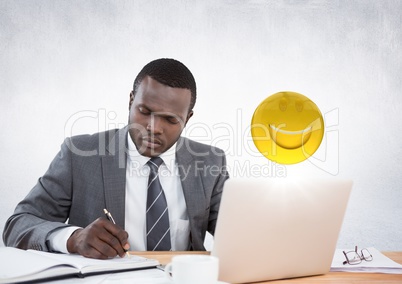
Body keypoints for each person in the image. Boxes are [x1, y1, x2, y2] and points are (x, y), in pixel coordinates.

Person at [3, 58, 229, 259]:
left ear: (187, 118)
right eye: (145, 111)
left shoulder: (211, 162)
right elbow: (17, 225)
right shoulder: (79, 154)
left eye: (170, 120)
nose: (153, 128)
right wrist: (73, 239)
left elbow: (240, 235)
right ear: (131, 101)